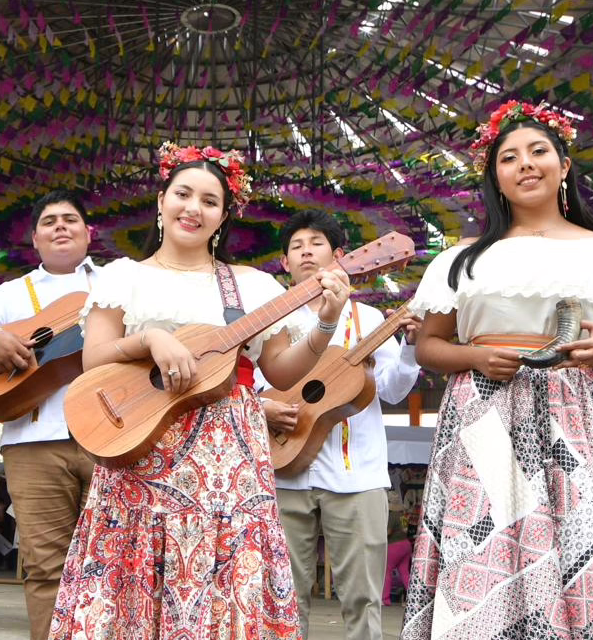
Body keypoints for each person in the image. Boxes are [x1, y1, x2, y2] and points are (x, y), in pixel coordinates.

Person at [50, 142, 353, 639]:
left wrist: (326, 321)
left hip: (228, 455)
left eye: (209, 201)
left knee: (230, 565)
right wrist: (149, 339)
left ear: (223, 217)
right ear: (161, 202)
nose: (194, 208)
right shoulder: (123, 277)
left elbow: (280, 372)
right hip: (142, 445)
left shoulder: (250, 286)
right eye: (183, 194)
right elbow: (93, 360)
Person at [402, 101, 593, 638]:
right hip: (482, 415)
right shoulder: (459, 260)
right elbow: (429, 348)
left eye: (539, 152)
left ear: (564, 165)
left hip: (573, 415)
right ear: (495, 176)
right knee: (486, 542)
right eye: (509, 157)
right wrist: (476, 356)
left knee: (578, 537)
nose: (525, 164)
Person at [259, 210, 421, 639]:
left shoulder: (368, 320)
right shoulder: (270, 319)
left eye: (316, 243)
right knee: (281, 596)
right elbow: (249, 387)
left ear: (341, 257)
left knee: (363, 598)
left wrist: (411, 349)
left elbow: (391, 390)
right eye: (296, 246)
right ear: (284, 262)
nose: (305, 251)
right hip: (283, 470)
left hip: (357, 476)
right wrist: (263, 407)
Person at [0, 188, 97, 640]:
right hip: (32, 443)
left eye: (70, 219)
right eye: (49, 221)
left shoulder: (117, 284)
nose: (60, 227)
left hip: (111, 436)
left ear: (90, 233)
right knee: (44, 563)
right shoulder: (13, 294)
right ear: (35, 239)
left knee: (116, 557)